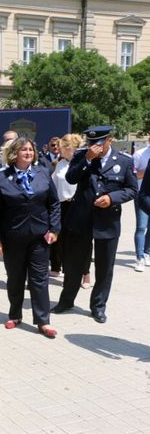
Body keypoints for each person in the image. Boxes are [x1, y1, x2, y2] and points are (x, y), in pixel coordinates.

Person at [51, 126, 137, 323]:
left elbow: (132, 189)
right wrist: (88, 159)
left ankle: (98, 305)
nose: (94, 146)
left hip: (107, 222)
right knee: (73, 264)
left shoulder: (124, 161)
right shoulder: (82, 156)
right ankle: (66, 301)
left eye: (98, 143)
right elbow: (71, 177)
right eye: (90, 143)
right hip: (80, 219)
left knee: (104, 267)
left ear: (109, 140)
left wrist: (112, 198)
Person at [0, 137, 60, 338]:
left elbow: (54, 204)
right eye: (24, 150)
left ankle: (43, 320)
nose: (28, 152)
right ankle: (15, 314)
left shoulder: (43, 173)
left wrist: (54, 229)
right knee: (15, 278)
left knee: (40, 279)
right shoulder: (2, 177)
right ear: (14, 153)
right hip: (13, 237)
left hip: (40, 237)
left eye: (30, 149)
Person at [50, 134, 91, 287]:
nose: (59, 150)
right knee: (64, 241)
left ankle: (85, 273)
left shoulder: (83, 162)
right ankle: (69, 273)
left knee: (83, 241)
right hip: (63, 206)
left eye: (62, 148)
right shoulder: (59, 164)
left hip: (79, 205)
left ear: (71, 148)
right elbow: (53, 185)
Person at [132, 136, 150, 271]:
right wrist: (146, 172)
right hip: (142, 194)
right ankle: (140, 257)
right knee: (141, 226)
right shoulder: (140, 154)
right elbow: (132, 175)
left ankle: (147, 252)